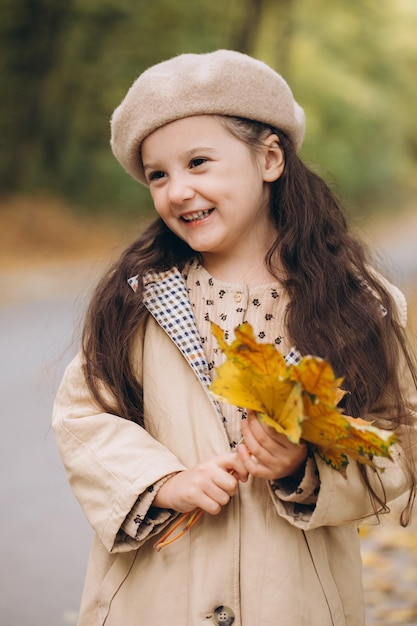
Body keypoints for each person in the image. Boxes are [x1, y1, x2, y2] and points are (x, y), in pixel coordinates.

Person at [52, 50, 417, 626]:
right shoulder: (137, 299)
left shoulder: (356, 306)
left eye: (199, 162)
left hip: (295, 600)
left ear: (269, 158)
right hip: (158, 595)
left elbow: (396, 443)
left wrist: (305, 463)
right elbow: (83, 418)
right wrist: (163, 483)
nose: (178, 190)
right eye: (159, 174)